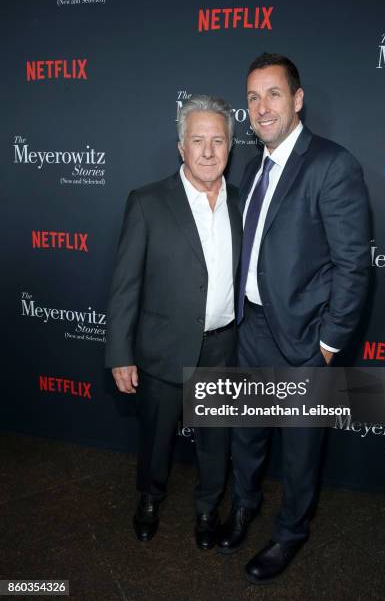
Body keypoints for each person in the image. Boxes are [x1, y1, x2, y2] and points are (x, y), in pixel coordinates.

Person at [217, 53, 370, 583]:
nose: (261, 108)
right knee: (247, 433)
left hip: (304, 340)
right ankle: (244, 506)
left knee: (302, 450)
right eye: (253, 97)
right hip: (251, 327)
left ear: (298, 99)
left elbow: (354, 265)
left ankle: (289, 535)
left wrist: (327, 343)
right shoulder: (252, 164)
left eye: (273, 94)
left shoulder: (332, 164)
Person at [105, 95, 241, 550]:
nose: (208, 150)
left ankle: (208, 509)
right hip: (162, 348)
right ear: (181, 147)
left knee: (215, 442)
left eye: (217, 140)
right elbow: (126, 284)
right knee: (156, 440)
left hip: (223, 348)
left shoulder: (243, 204)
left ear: (230, 146)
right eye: (197, 140)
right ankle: (149, 499)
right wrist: (121, 353)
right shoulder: (146, 202)